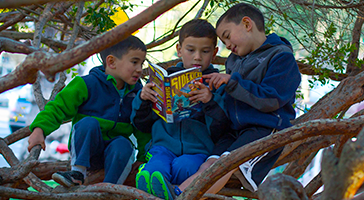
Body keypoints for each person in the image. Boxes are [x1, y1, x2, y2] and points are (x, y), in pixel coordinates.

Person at [179, 3, 302, 194]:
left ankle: (184, 196)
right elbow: (231, 98)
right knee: (208, 165)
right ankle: (178, 193)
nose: (226, 45)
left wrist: (232, 82)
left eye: (227, 36)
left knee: (222, 166)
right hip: (234, 130)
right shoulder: (234, 60)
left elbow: (271, 99)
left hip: (264, 127)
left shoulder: (280, 56)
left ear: (247, 24)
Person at [27, 35, 151, 187]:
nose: (140, 69)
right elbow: (57, 107)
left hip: (114, 155)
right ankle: (77, 173)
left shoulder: (138, 94)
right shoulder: (86, 84)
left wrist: (145, 158)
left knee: (123, 144)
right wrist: (40, 130)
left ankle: (110, 188)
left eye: (142, 63)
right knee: (88, 123)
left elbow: (142, 127)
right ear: (111, 62)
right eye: (134, 62)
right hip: (87, 151)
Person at [131, 19, 229, 200]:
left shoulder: (217, 84)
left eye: (205, 51)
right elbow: (140, 124)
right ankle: (151, 183)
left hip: (197, 150)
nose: (197, 57)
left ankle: (169, 193)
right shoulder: (163, 80)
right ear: (179, 50)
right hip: (162, 146)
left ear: (214, 53)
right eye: (191, 50)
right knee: (155, 170)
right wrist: (143, 99)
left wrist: (210, 101)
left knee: (185, 167)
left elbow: (221, 129)